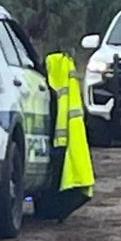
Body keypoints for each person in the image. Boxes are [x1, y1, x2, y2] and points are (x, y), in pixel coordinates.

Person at [34, 51, 95, 222]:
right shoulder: (68, 90)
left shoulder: (51, 89)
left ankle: (50, 210)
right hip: (65, 144)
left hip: (59, 145)